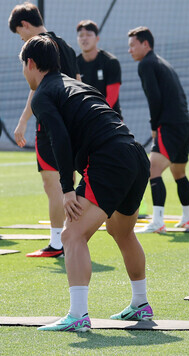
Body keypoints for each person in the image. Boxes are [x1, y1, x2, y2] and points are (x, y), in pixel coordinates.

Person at [20, 35, 152, 331]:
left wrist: (67, 189)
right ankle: (141, 305)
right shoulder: (79, 85)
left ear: (30, 64)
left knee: (71, 236)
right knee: (122, 231)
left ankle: (78, 314)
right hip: (134, 154)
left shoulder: (43, 94)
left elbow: (60, 140)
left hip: (109, 160)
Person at [8, 2, 80, 258]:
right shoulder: (67, 46)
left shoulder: (39, 47)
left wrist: (23, 121)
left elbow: (37, 88)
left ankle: (58, 242)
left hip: (50, 124)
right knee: (67, 182)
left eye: (20, 34)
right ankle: (71, 237)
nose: (22, 39)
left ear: (25, 25)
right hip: (71, 122)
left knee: (55, 186)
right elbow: (79, 82)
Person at [128, 27, 189, 233]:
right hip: (185, 125)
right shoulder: (162, 63)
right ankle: (187, 219)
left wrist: (154, 126)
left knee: (152, 170)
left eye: (133, 45)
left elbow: (154, 98)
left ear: (145, 44)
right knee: (178, 172)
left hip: (170, 126)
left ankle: (158, 222)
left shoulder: (147, 64)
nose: (129, 50)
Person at [76, 20, 122, 118]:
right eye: (81, 35)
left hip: (110, 120)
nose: (84, 38)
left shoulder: (110, 62)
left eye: (89, 34)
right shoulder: (74, 64)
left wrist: (97, 116)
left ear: (97, 38)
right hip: (84, 121)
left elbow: (112, 97)